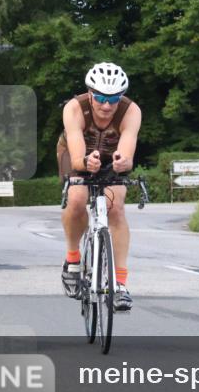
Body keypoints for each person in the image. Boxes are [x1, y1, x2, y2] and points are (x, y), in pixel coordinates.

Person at [57, 63, 142, 310]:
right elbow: (76, 156)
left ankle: (120, 286)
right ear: (90, 93)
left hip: (109, 155)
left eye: (114, 98)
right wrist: (84, 163)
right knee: (76, 198)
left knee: (116, 208)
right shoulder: (74, 108)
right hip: (75, 153)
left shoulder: (130, 111)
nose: (107, 105)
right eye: (102, 98)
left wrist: (123, 161)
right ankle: (73, 259)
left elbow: (127, 150)